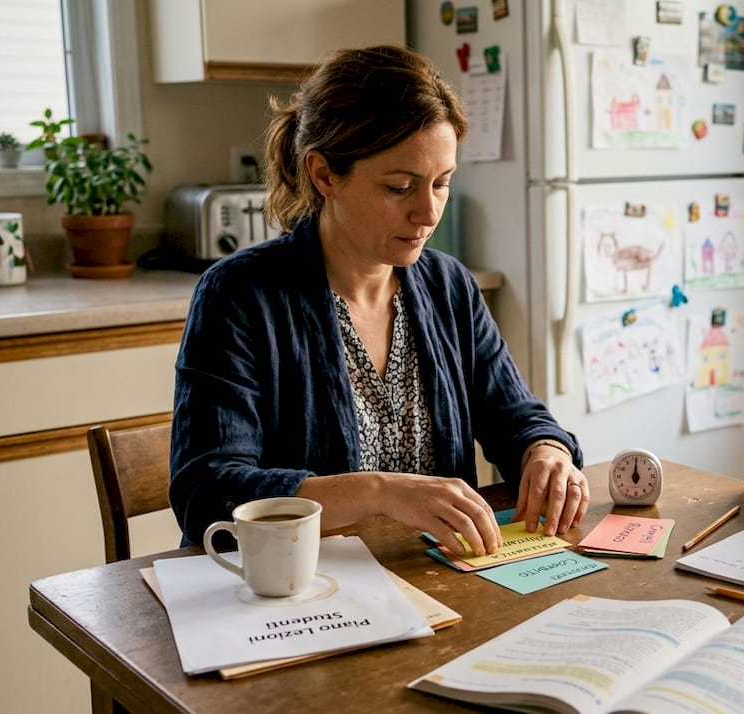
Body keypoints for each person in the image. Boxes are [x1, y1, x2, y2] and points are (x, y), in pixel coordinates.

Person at [170, 45, 589, 557]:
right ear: (324, 174)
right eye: (400, 187)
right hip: (298, 589)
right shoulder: (239, 295)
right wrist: (377, 492)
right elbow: (206, 490)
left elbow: (517, 417)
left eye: (442, 183)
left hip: (432, 579)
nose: (428, 213)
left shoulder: (449, 287)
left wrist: (546, 451)